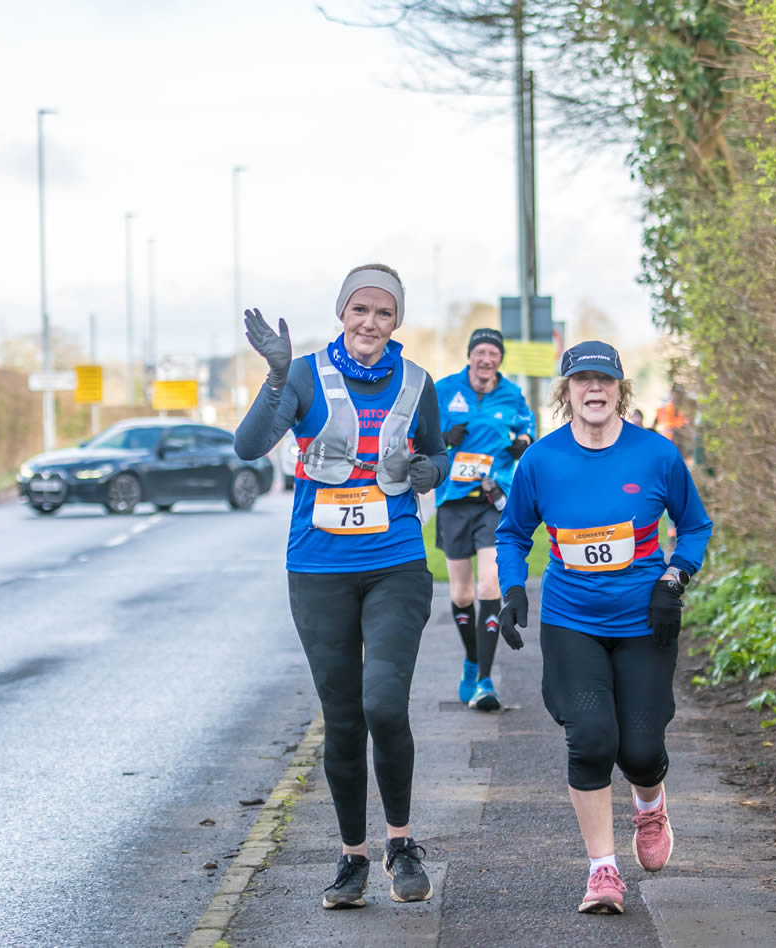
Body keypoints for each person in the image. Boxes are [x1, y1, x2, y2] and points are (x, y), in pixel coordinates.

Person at [233, 263, 448, 910]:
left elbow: (437, 458)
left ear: (397, 322)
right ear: (342, 313)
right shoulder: (302, 375)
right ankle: (353, 855)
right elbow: (249, 446)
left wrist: (424, 470)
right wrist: (274, 376)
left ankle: (402, 843)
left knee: (384, 703)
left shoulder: (417, 381)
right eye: (360, 310)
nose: (370, 323)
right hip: (319, 570)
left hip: (397, 564)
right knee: (345, 718)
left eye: (384, 313)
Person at [494, 341, 713, 916]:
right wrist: (514, 588)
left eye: (605, 380)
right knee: (591, 740)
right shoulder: (541, 461)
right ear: (565, 392)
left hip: (644, 620)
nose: (594, 390)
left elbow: (694, 527)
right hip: (571, 620)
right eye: (581, 381)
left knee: (640, 750)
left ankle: (650, 804)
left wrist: (674, 580)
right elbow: (513, 533)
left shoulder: (657, 455)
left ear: (621, 389)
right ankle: (603, 871)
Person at [433, 327, 536, 710]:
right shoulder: (445, 390)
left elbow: (528, 429)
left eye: (493, 353)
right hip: (454, 501)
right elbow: (419, 435)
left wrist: (522, 443)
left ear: (499, 360)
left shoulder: (512, 394)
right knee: (461, 593)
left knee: (489, 585)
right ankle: (472, 662)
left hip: (494, 500)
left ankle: (485, 681)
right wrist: (445, 436)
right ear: (470, 355)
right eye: (481, 352)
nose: (487, 359)